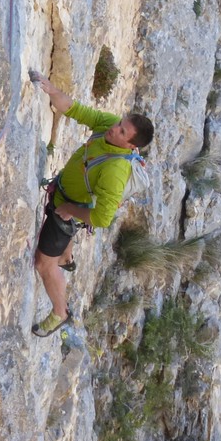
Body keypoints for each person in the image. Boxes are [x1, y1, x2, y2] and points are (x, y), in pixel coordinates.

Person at [29, 72, 155, 337]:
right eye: (120, 123)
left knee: (43, 264)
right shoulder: (108, 126)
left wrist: (70, 210)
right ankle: (66, 257)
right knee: (60, 249)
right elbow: (75, 109)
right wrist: (52, 90)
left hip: (69, 209)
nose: (114, 128)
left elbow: (101, 219)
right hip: (64, 193)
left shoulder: (114, 171)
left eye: (122, 131)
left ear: (131, 145)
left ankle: (59, 313)